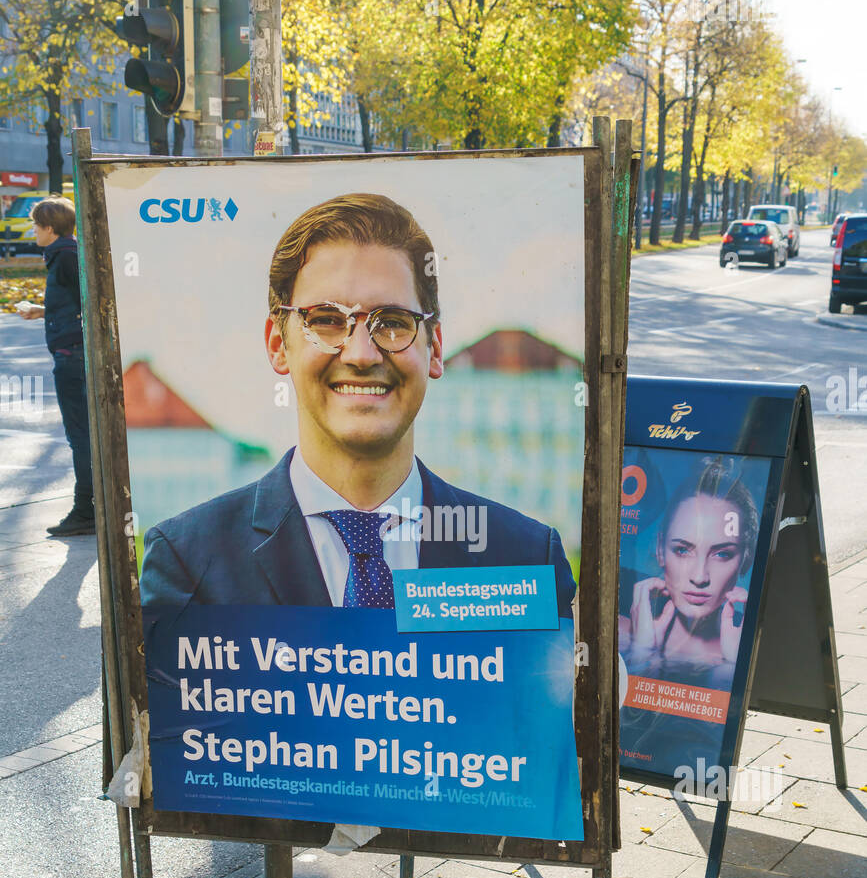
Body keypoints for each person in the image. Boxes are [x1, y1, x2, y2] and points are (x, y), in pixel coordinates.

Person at [140, 192, 575, 615]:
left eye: (393, 323)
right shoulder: (187, 566)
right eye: (327, 321)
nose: (361, 354)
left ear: (435, 349)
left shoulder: (527, 561)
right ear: (278, 344)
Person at [619, 456, 759, 676]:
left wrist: (733, 666)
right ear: (659, 549)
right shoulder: (617, 632)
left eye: (722, 554)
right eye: (682, 550)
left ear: (746, 559)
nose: (699, 576)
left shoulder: (752, 651)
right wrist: (641, 651)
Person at [20, 197, 94, 536]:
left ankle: (86, 510)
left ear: (50, 228)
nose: (32, 230)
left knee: (80, 436)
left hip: (73, 358)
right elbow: (74, 302)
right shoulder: (64, 254)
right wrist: (42, 311)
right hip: (72, 353)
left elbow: (90, 301)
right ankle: (89, 507)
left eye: (36, 225)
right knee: (81, 435)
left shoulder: (66, 256)